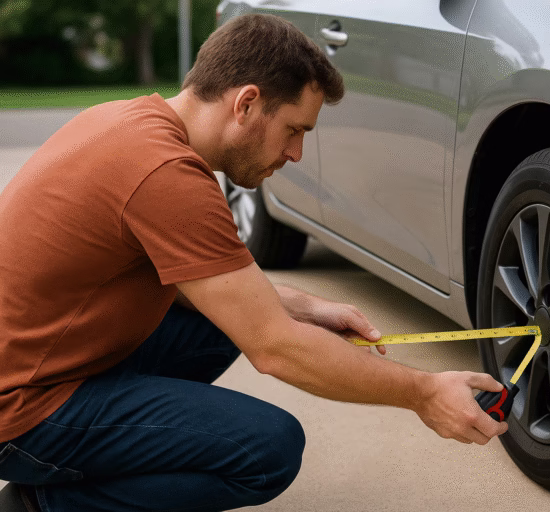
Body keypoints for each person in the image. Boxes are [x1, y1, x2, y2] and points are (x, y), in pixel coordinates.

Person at [0, 13, 508, 512]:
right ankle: (43, 501)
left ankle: (112, 450)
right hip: (23, 410)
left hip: (42, 362)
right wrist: (424, 393)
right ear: (246, 103)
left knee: (227, 323)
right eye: (293, 129)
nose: (297, 153)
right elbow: (275, 349)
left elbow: (203, 289)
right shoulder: (166, 175)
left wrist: (305, 306)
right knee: (268, 449)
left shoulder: (132, 121)